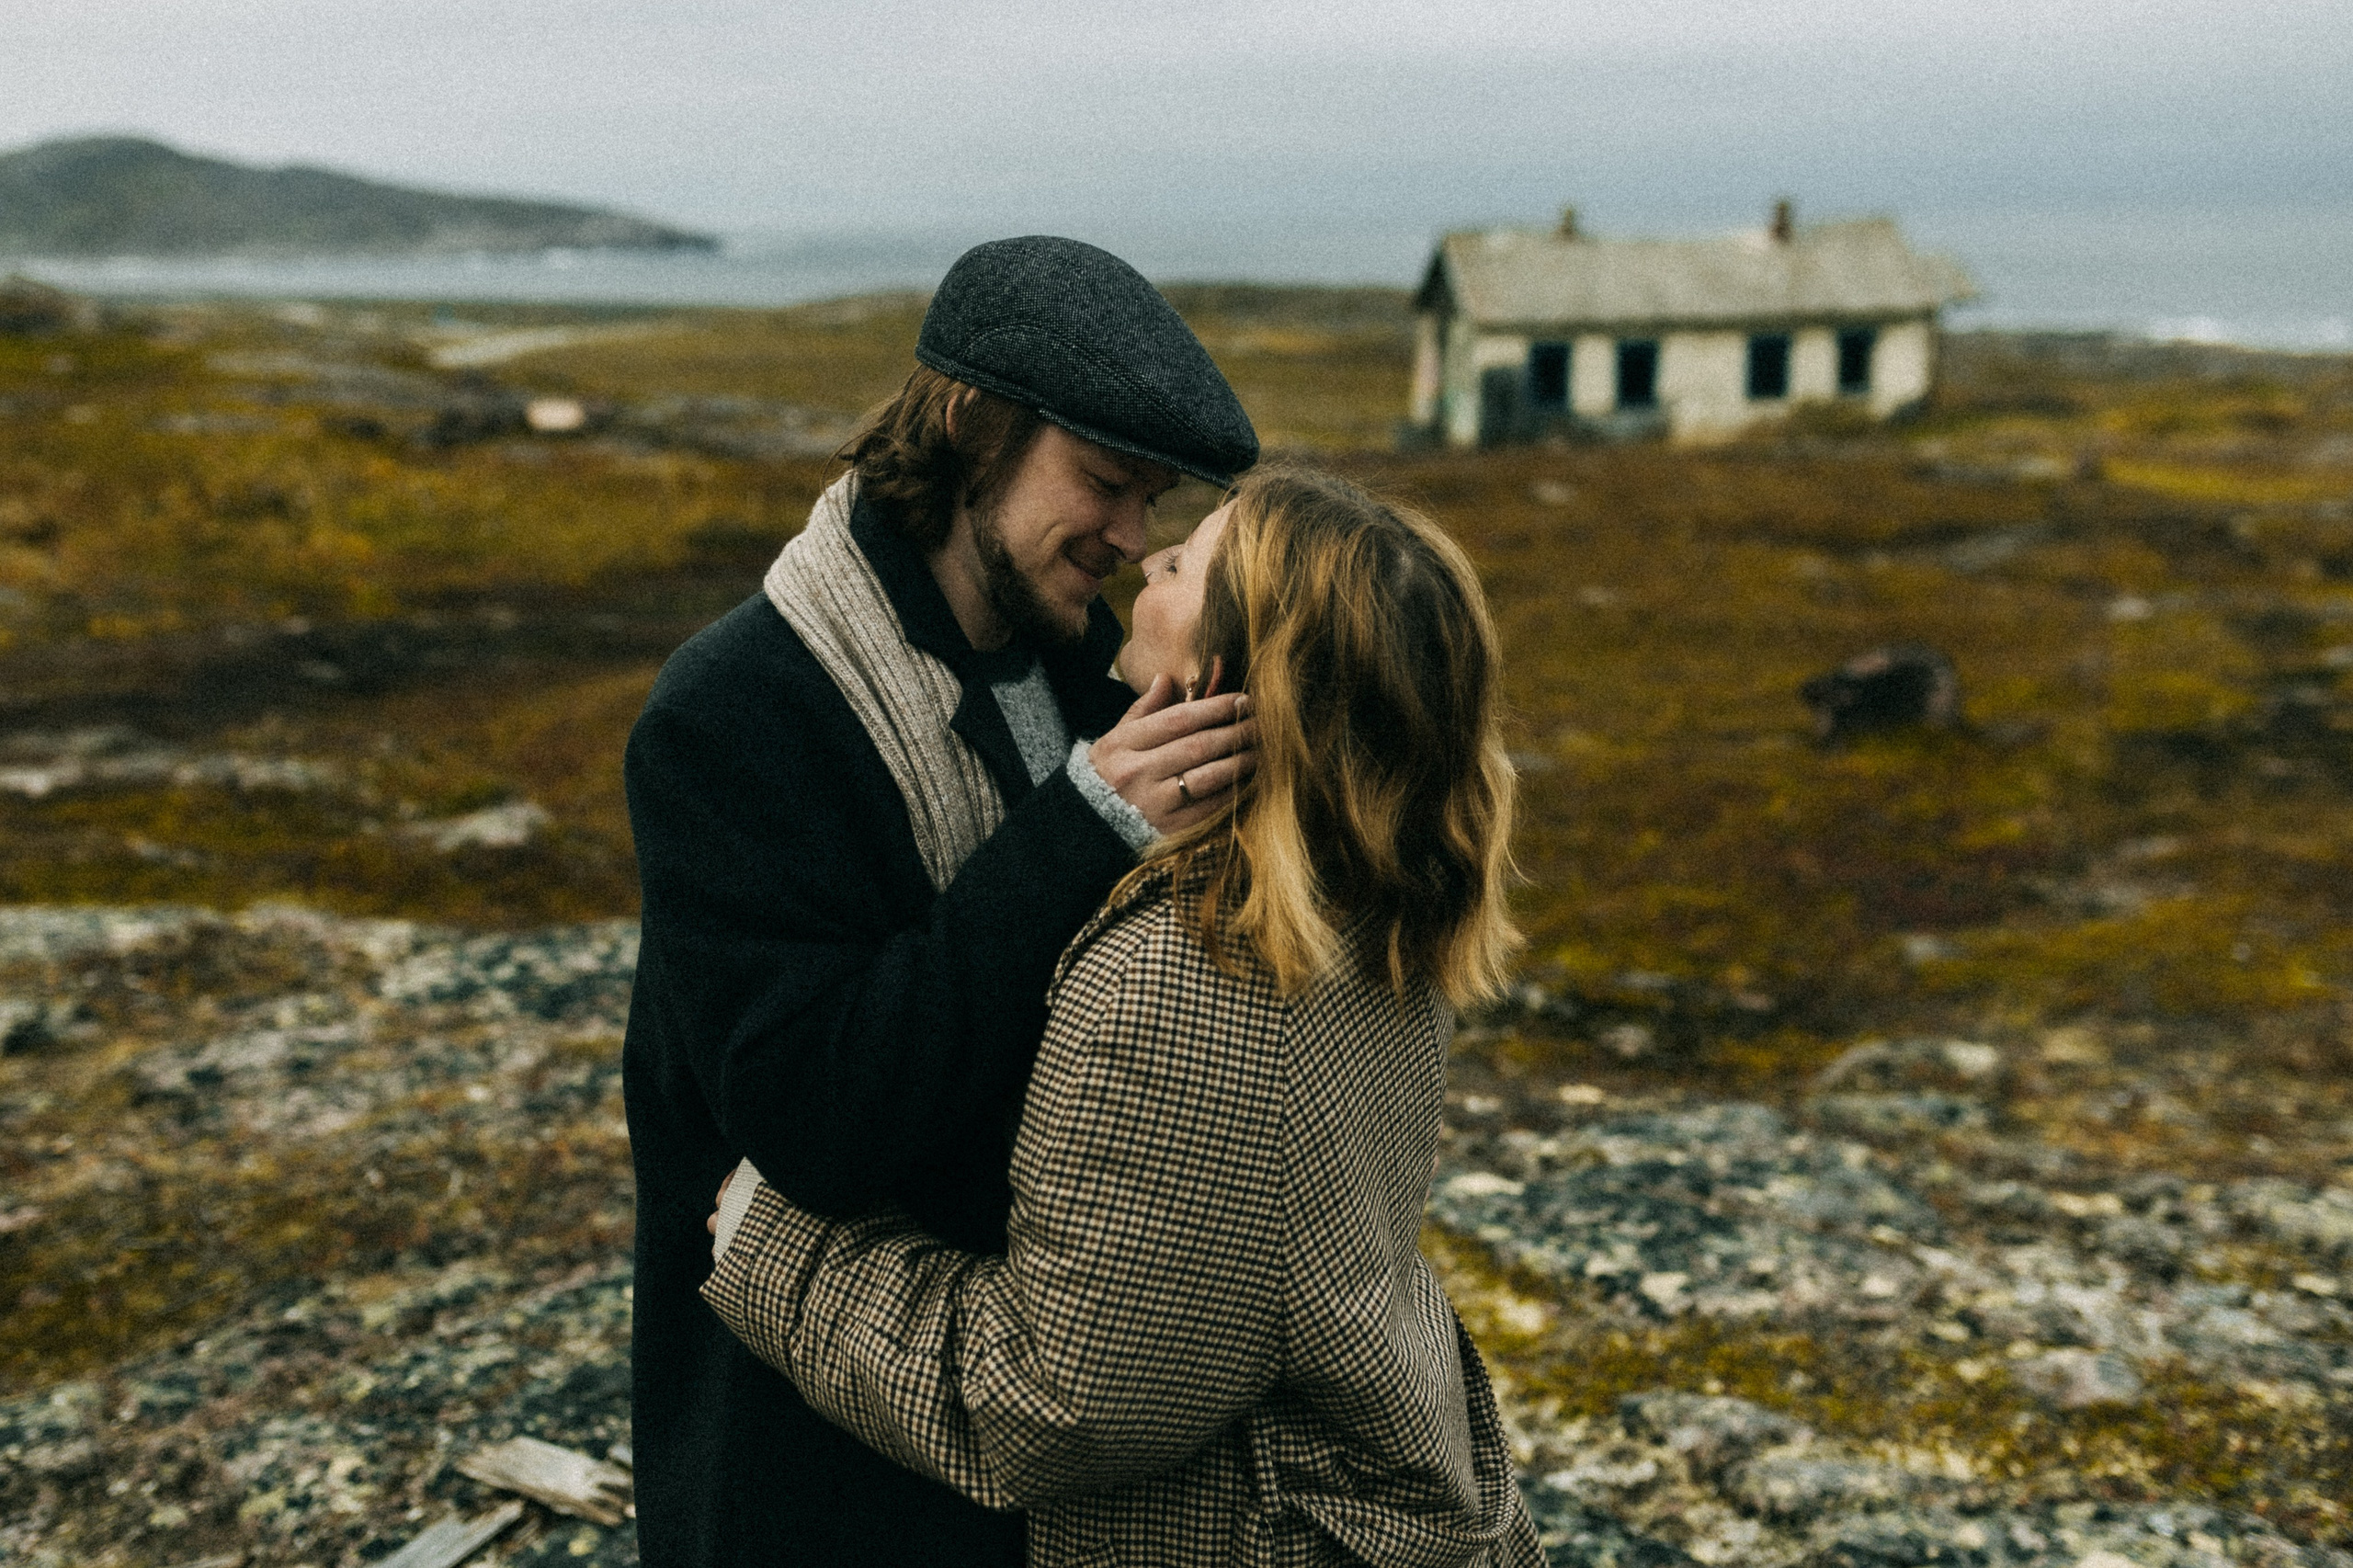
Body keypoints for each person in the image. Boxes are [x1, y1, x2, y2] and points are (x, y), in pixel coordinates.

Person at [702, 467, 1546, 1567]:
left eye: (1189, 562)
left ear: (1225, 674)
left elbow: (1050, 1406)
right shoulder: (1373, 902)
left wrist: (777, 1250)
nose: (1150, 557)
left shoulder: (1191, 979)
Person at [622, 236, 1261, 1568]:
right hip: (808, 1472)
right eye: (1102, 483)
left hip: (1025, 1442)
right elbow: (816, 1114)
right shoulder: (738, 712)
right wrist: (1082, 827)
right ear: (972, 423)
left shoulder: (1089, 661)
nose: (1132, 539)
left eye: (1152, 501)